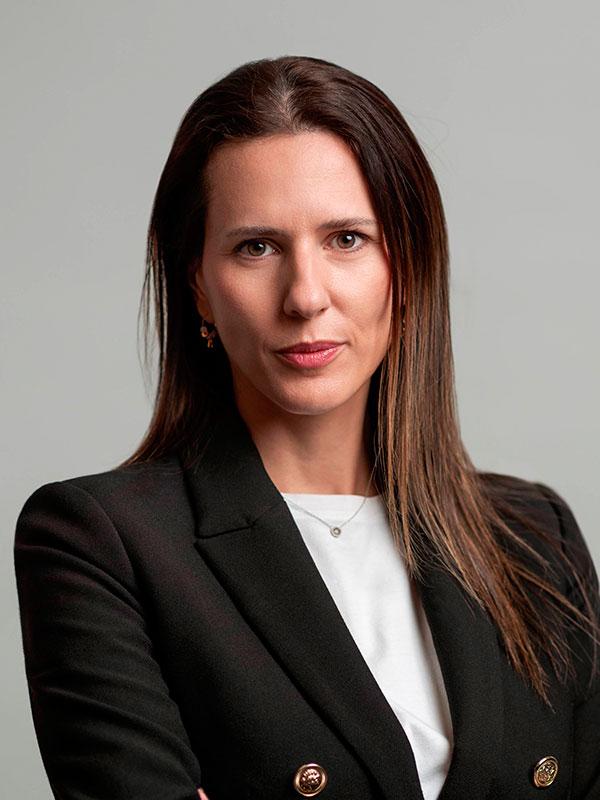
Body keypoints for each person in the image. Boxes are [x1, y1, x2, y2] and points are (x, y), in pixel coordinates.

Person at [13, 55, 600, 800]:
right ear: (199, 284)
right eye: (256, 247)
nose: (305, 296)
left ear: (407, 266)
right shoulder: (101, 543)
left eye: (347, 239)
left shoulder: (537, 536)